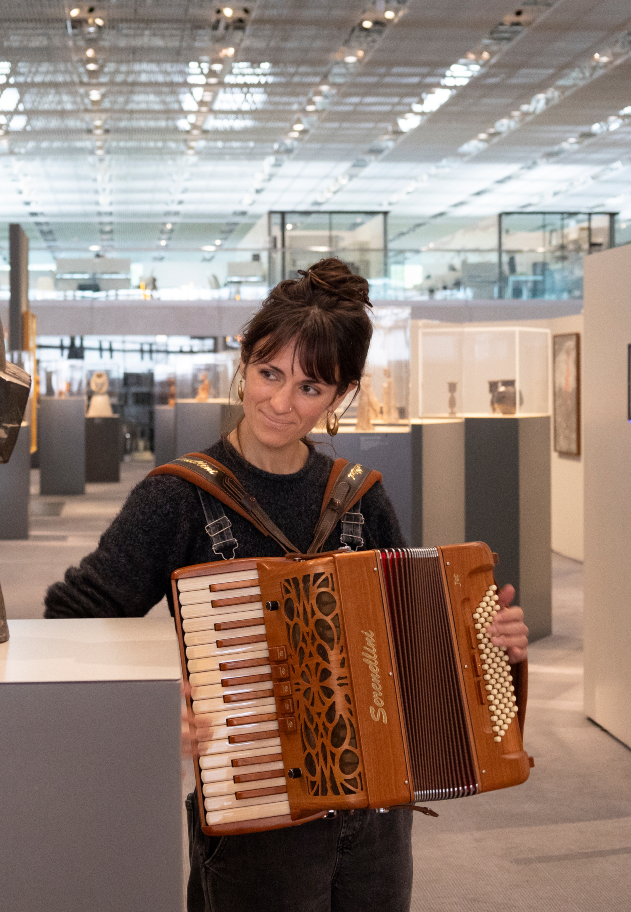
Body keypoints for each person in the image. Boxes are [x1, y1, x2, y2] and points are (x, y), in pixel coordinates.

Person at [44, 257, 529, 912]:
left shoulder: (360, 500)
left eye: (310, 387)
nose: (280, 401)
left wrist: (486, 645)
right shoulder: (179, 498)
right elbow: (71, 623)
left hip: (379, 817)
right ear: (243, 359)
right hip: (255, 816)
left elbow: (411, 643)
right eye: (269, 373)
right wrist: (153, 701)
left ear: (341, 395)